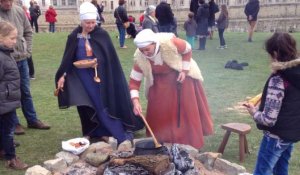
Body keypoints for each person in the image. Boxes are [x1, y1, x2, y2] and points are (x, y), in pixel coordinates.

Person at [55, 2, 144, 150]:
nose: (90, 25)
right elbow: (68, 59)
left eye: (93, 22)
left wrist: (97, 61)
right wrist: (62, 75)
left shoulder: (101, 35)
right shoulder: (73, 36)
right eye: (87, 23)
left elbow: (109, 59)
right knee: (88, 104)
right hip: (82, 77)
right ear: (81, 21)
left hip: (102, 77)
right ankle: (96, 130)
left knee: (103, 104)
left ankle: (119, 134)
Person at [129, 29, 214, 149]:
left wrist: (184, 71)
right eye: (142, 51)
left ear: (155, 43)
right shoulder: (140, 57)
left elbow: (188, 50)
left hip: (180, 77)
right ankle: (163, 140)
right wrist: (135, 101)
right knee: (159, 110)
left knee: (184, 110)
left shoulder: (170, 43)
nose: (145, 53)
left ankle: (188, 143)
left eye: (147, 49)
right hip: (159, 83)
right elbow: (134, 81)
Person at [245, 32, 300, 175]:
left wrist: (254, 112)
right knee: (281, 170)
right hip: (291, 134)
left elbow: (268, 120)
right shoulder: (296, 73)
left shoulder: (279, 79)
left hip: (275, 137)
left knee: (262, 171)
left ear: (275, 53)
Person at [0, 0, 51, 135]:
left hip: (21, 59)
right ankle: (14, 123)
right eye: (5, 1)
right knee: (8, 94)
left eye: (11, 1)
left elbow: (28, 31)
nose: (9, 4)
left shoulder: (18, 10)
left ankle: (32, 119)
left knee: (25, 91)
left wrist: (27, 50)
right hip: (5, 60)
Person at [0, 20, 28, 170]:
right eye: (12, 38)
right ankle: (11, 158)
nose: (15, 41)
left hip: (6, 100)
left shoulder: (6, 53)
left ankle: (2, 149)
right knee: (8, 130)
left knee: (4, 128)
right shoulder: (1, 57)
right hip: (4, 102)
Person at [22, 5, 35, 79]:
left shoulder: (25, 15)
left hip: (24, 39)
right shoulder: (24, 14)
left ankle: (31, 73)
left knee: (28, 56)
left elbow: (28, 26)